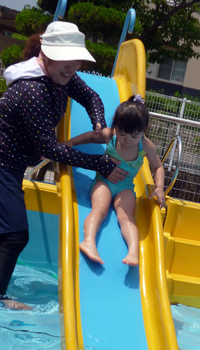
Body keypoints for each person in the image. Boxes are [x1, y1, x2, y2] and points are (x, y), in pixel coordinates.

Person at [0, 21, 127, 307]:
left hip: (6, 165)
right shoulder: (33, 90)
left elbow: (91, 96)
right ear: (47, 54)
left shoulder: (60, 76)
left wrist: (98, 124)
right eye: (64, 62)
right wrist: (99, 163)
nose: (70, 68)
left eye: (74, 62)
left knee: (0, 233)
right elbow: (49, 148)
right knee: (14, 236)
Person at [66, 95, 165, 266]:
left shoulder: (146, 146)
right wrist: (71, 143)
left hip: (125, 187)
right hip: (104, 182)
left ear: (144, 129)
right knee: (100, 209)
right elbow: (91, 137)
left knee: (127, 217)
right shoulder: (111, 136)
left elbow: (158, 167)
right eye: (122, 133)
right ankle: (88, 241)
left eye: (134, 136)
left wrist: (160, 188)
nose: (127, 139)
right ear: (115, 126)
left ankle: (133, 251)